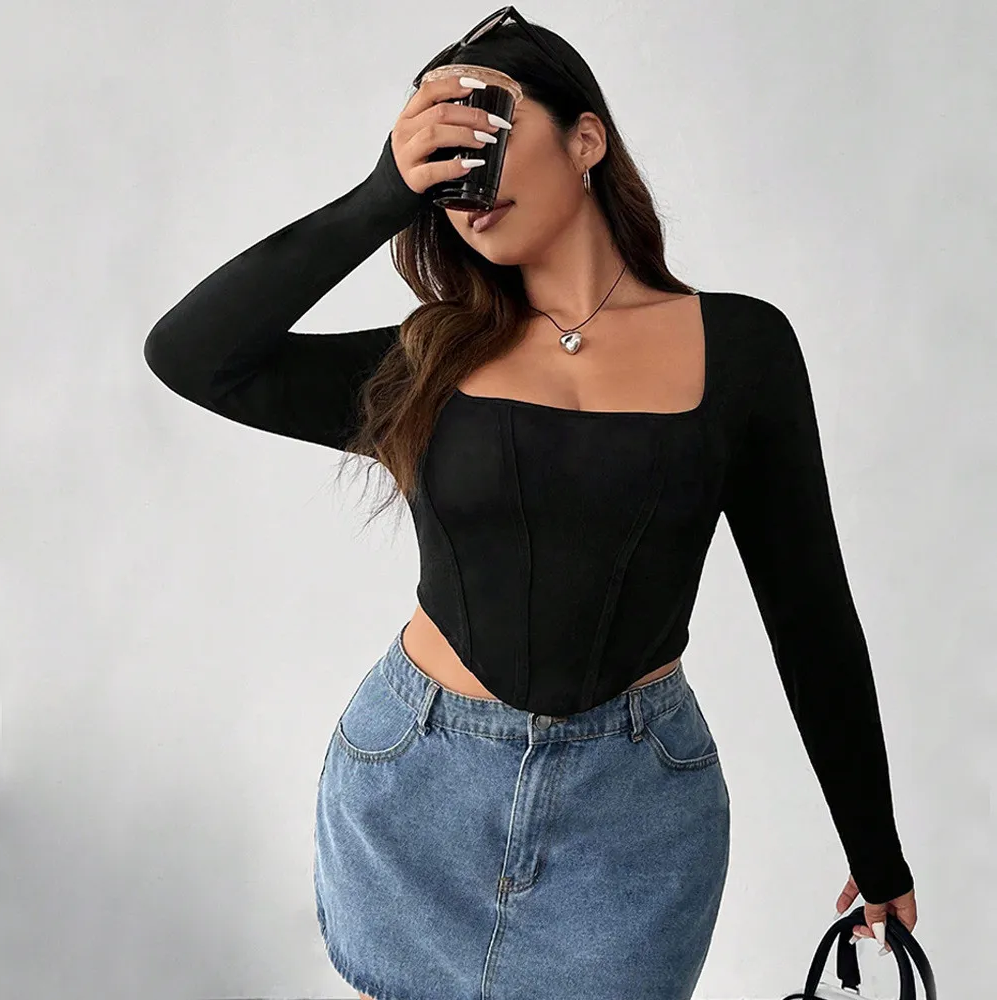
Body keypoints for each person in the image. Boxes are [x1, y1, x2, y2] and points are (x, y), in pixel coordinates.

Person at [143, 11, 917, 1000]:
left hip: (633, 818)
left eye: (487, 127)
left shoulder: (741, 350)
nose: (462, 170)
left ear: (585, 139)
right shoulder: (427, 358)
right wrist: (380, 195)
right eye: (438, 148)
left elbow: (808, 610)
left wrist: (875, 851)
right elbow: (191, 355)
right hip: (415, 787)